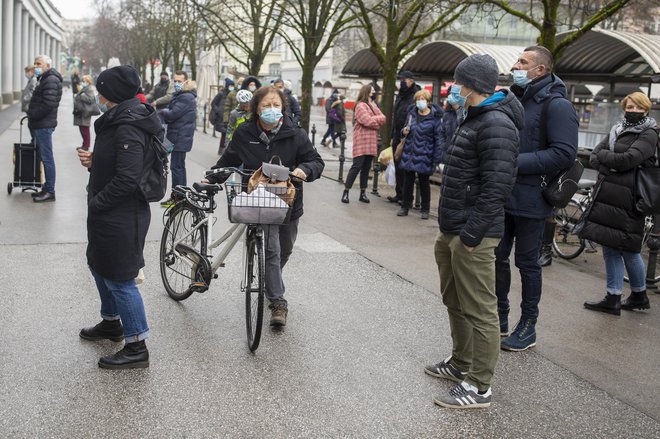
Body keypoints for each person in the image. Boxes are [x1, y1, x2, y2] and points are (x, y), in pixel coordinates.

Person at [427, 54, 522, 409]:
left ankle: (480, 386)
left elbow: (497, 188)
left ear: (470, 85)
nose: (454, 88)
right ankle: (460, 363)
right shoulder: (473, 117)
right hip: (453, 228)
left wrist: (471, 234)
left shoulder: (496, 123)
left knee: (481, 309)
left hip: (473, 235)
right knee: (455, 300)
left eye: (457, 82)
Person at [206, 86, 324, 327]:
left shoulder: (295, 133)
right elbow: (229, 160)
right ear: (255, 108)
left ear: (283, 107)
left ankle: (269, 279)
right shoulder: (244, 132)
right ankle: (278, 302)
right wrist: (210, 178)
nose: (272, 110)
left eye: (276, 106)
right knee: (271, 250)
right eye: (266, 106)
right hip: (258, 201)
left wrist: (306, 169)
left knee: (285, 250)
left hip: (288, 203)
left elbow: (315, 161)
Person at [76, 65, 163, 369]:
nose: (98, 95)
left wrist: (98, 203)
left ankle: (137, 345)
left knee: (121, 278)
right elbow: (122, 165)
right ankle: (111, 322)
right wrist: (95, 161)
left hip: (121, 213)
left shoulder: (128, 125)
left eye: (101, 90)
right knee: (99, 265)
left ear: (110, 94)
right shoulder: (118, 119)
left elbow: (128, 179)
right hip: (109, 212)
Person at [495, 46, 579, 352]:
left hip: (532, 198)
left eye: (523, 62)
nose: (516, 65)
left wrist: (515, 162)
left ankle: (528, 325)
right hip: (504, 192)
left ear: (540, 70)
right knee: (496, 255)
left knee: (527, 263)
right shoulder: (514, 97)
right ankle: (500, 317)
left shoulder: (557, 105)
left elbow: (564, 153)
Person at [580, 92, 657, 315]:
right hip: (610, 196)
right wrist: (611, 164)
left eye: (637, 107)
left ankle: (627, 296)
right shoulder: (617, 129)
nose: (632, 111)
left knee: (628, 248)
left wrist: (610, 162)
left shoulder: (649, 133)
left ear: (646, 109)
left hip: (629, 199)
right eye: (629, 106)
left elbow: (628, 160)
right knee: (610, 245)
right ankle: (626, 295)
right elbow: (594, 156)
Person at [397, 89, 443, 219]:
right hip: (410, 153)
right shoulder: (411, 114)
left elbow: (438, 138)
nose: (420, 102)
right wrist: (403, 131)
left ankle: (425, 209)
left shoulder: (434, 118)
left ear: (428, 102)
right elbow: (404, 130)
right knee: (408, 182)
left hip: (425, 154)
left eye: (422, 99)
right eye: (418, 99)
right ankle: (405, 206)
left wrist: (436, 157)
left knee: (424, 183)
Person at [341, 84, 386, 204]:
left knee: (366, 168)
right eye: (372, 91)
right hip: (361, 140)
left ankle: (363, 193)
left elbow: (383, 118)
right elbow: (367, 120)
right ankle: (346, 192)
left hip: (371, 141)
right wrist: (377, 123)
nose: (374, 93)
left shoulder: (373, 105)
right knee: (356, 167)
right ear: (367, 92)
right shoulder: (360, 105)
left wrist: (374, 121)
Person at [26, 54, 63, 203]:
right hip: (41, 124)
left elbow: (48, 104)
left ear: (48, 65)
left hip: (43, 125)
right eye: (35, 63)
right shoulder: (46, 78)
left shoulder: (51, 79)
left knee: (47, 158)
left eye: (39, 64)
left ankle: (50, 191)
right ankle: (46, 188)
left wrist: (32, 115)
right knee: (44, 156)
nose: (36, 66)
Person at [159, 71, 197, 207]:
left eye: (179, 81)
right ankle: (180, 196)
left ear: (186, 81)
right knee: (179, 167)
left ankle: (178, 197)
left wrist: (161, 111)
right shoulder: (183, 95)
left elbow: (173, 114)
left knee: (177, 168)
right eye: (175, 81)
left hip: (180, 137)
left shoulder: (185, 97)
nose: (176, 83)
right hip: (178, 136)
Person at [389, 70, 422, 204]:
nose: (402, 82)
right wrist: (392, 135)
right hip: (397, 134)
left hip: (408, 135)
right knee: (397, 165)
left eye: (405, 79)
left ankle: (407, 197)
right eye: (401, 79)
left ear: (411, 81)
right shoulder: (400, 95)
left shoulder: (416, 95)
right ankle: (399, 193)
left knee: (405, 167)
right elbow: (395, 116)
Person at [73, 75, 97, 151]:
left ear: (88, 82)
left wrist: (82, 96)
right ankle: (84, 144)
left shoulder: (89, 89)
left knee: (85, 130)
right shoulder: (83, 88)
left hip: (86, 112)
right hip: (81, 111)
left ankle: (86, 146)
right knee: (82, 129)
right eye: (82, 81)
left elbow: (91, 99)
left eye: (84, 81)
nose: (82, 82)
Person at [210, 78, 233, 153]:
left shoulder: (232, 94)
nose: (231, 87)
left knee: (226, 134)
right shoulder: (221, 94)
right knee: (224, 133)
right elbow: (213, 103)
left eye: (233, 85)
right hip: (221, 118)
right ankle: (222, 150)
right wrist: (218, 111)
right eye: (230, 85)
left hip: (229, 117)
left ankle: (223, 149)